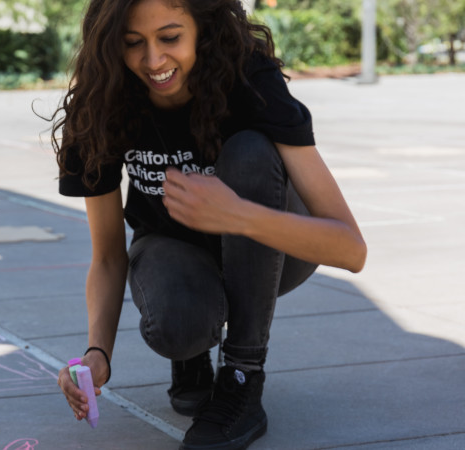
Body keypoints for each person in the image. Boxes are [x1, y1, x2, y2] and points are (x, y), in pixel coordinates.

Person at [51, 1, 367, 449]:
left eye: (170, 38)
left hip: (272, 247)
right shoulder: (100, 103)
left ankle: (242, 376)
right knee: (177, 326)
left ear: (203, 28)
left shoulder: (249, 79)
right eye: (133, 43)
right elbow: (106, 254)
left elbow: (351, 250)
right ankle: (194, 354)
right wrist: (97, 354)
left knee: (252, 153)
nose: (154, 61)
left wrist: (236, 214)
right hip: (173, 247)